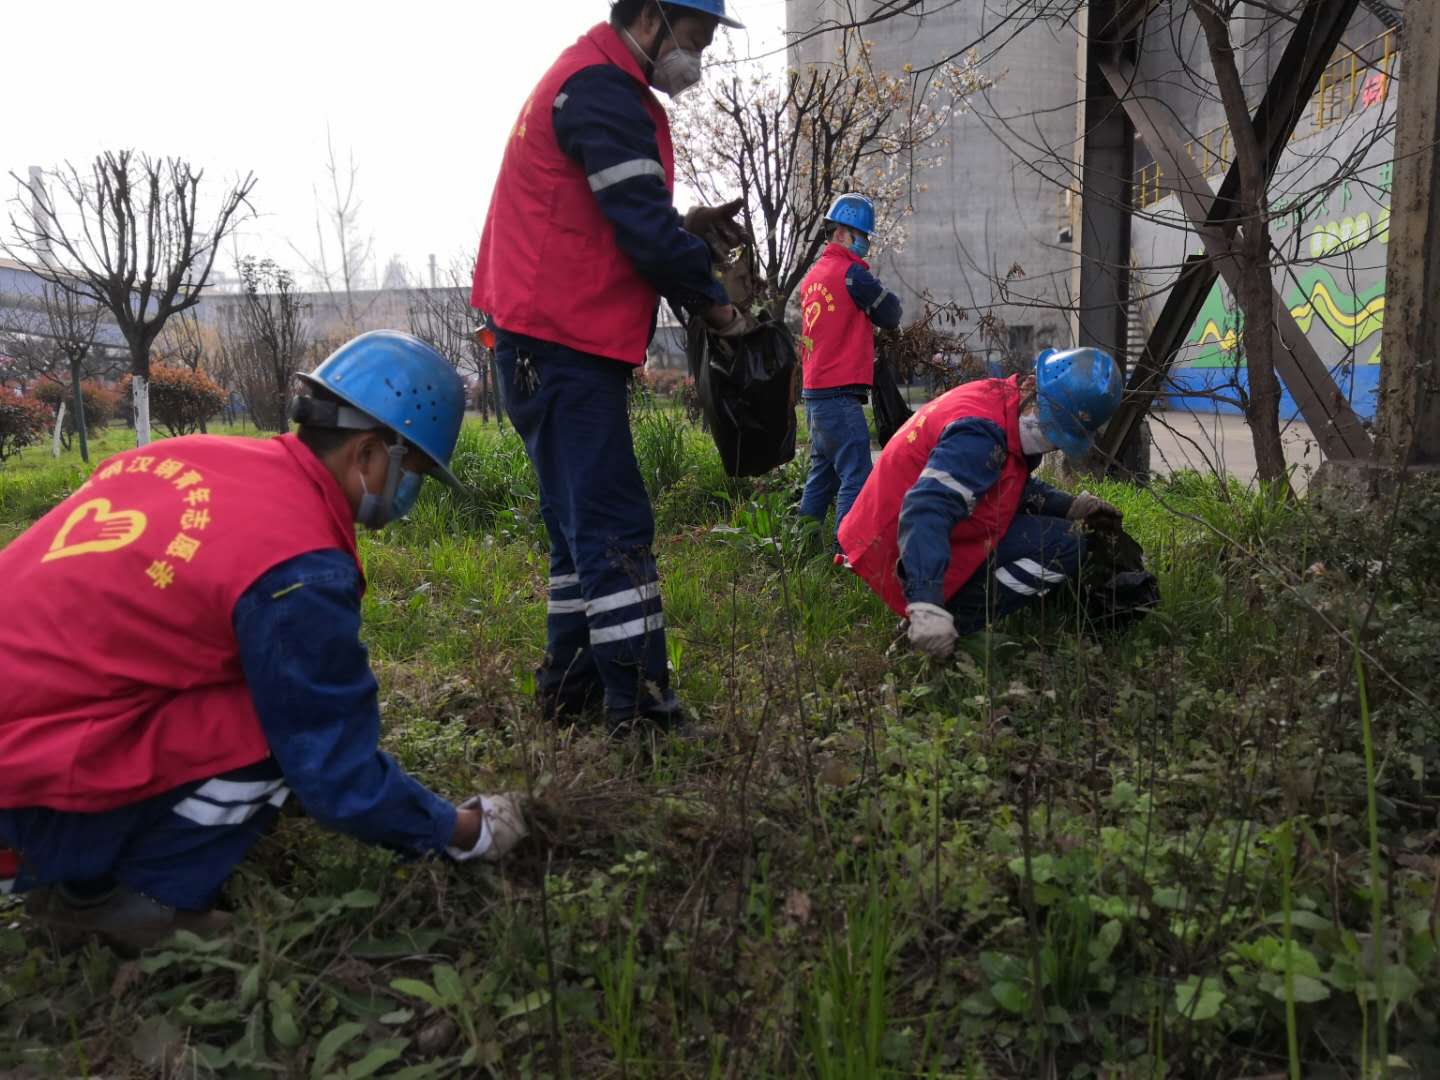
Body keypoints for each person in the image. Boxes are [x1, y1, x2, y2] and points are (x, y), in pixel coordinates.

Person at [0, 331, 528, 952]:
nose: (409, 490)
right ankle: (136, 902)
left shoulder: (203, 455)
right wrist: (464, 831)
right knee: (273, 728)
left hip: (31, 712)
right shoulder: (299, 565)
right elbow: (332, 765)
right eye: (411, 468)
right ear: (368, 451)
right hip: (24, 779)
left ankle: (86, 872)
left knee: (254, 685)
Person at [471, 0, 747, 731]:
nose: (703, 53)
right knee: (615, 527)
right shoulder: (604, 90)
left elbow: (612, 211)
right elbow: (642, 232)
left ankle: (570, 692)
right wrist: (716, 304)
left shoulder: (589, 78)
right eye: (701, 34)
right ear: (655, 15)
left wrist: (682, 228)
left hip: (543, 342)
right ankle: (643, 711)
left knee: (576, 530)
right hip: (561, 345)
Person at [838, 347, 1125, 657]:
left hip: (895, 531)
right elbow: (925, 510)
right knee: (1063, 545)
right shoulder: (981, 434)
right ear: (1030, 386)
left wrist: (1068, 506)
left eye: (1058, 436)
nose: (1049, 440)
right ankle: (936, 629)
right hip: (897, 545)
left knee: (1061, 532)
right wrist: (925, 604)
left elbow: (1002, 482)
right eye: (1048, 426)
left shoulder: (1000, 400)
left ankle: (933, 614)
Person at [796, 193, 903, 539]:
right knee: (856, 475)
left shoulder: (812, 277)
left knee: (822, 474)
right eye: (862, 236)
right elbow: (890, 314)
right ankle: (849, 553)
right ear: (841, 233)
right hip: (839, 396)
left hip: (814, 397)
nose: (866, 243)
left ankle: (801, 547)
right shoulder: (853, 275)